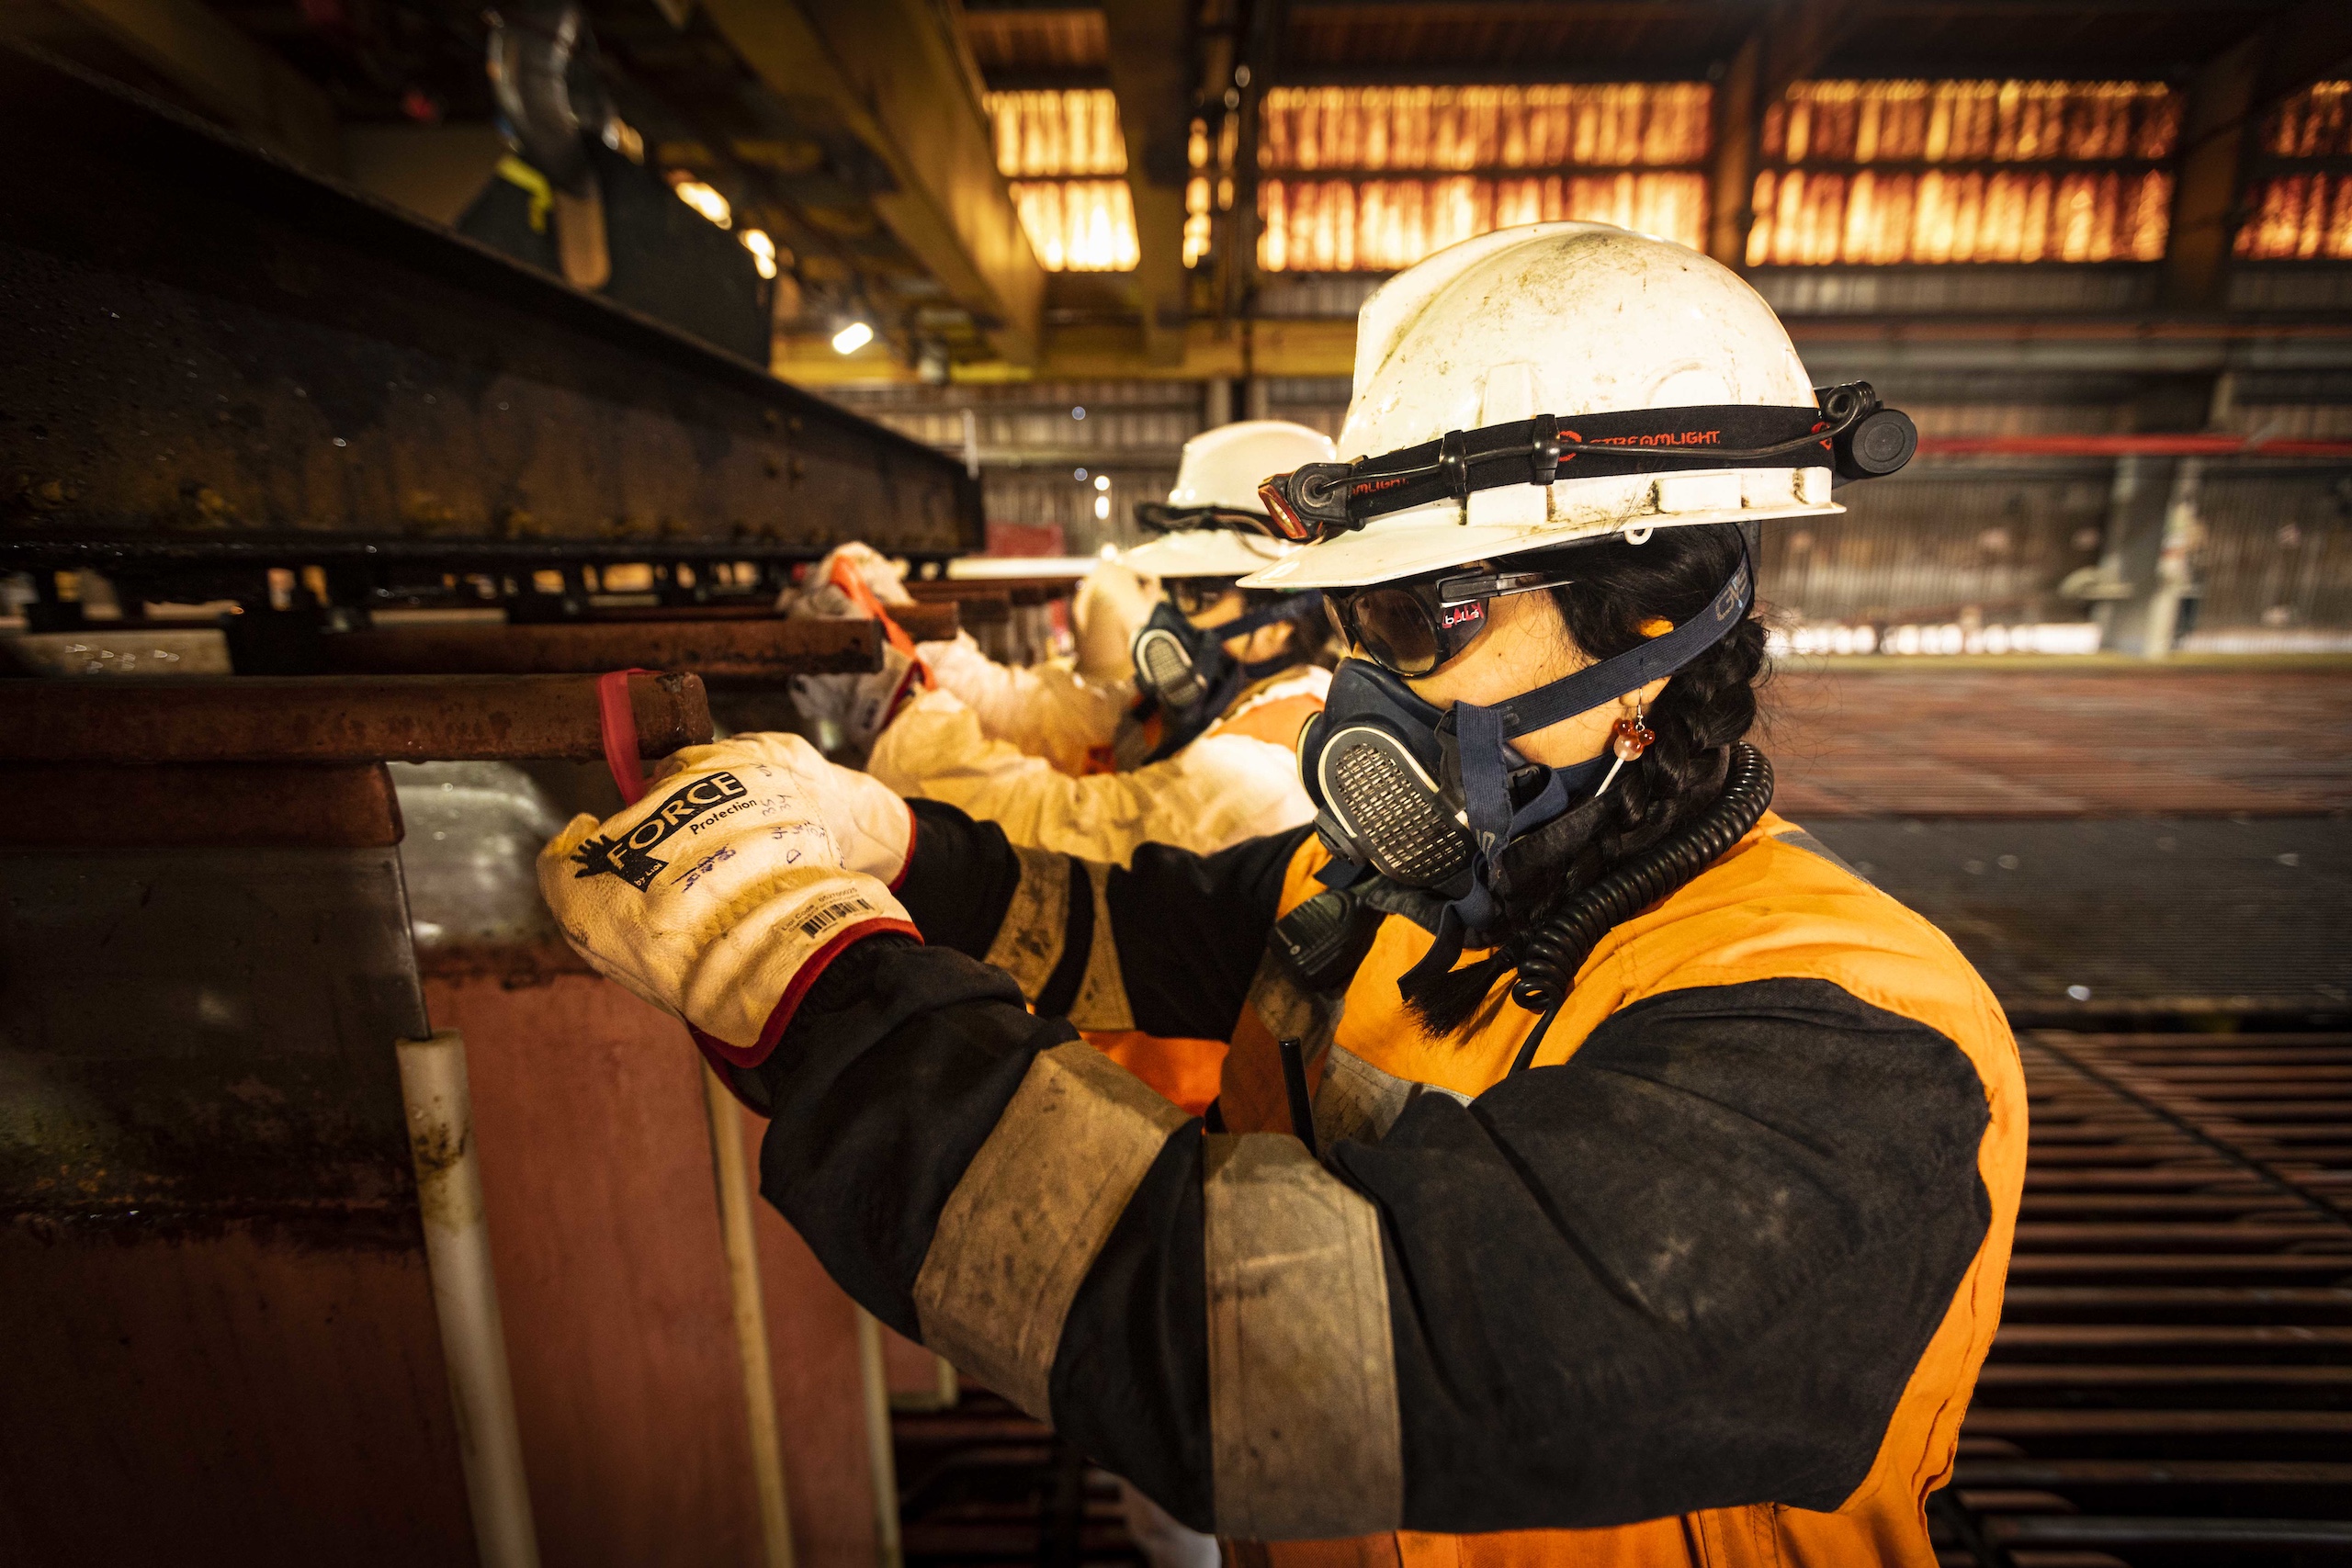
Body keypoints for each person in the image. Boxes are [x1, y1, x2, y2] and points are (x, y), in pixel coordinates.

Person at [541, 221, 2018, 1567]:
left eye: (1413, 616)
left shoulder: (1855, 1048)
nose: (1359, 682)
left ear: (1645, 617)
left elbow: (1262, 1347)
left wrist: (798, 972)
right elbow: (1131, 917)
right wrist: (883, 842)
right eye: (1355, 616)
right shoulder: (1408, 888)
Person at [847, 421, 1347, 864]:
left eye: (1199, 594)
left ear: (1282, 619)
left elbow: (1077, 825)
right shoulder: (1212, 699)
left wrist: (911, 714)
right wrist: (915, 642)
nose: (1171, 616)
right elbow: (1048, 717)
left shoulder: (1271, 763)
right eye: (1171, 589)